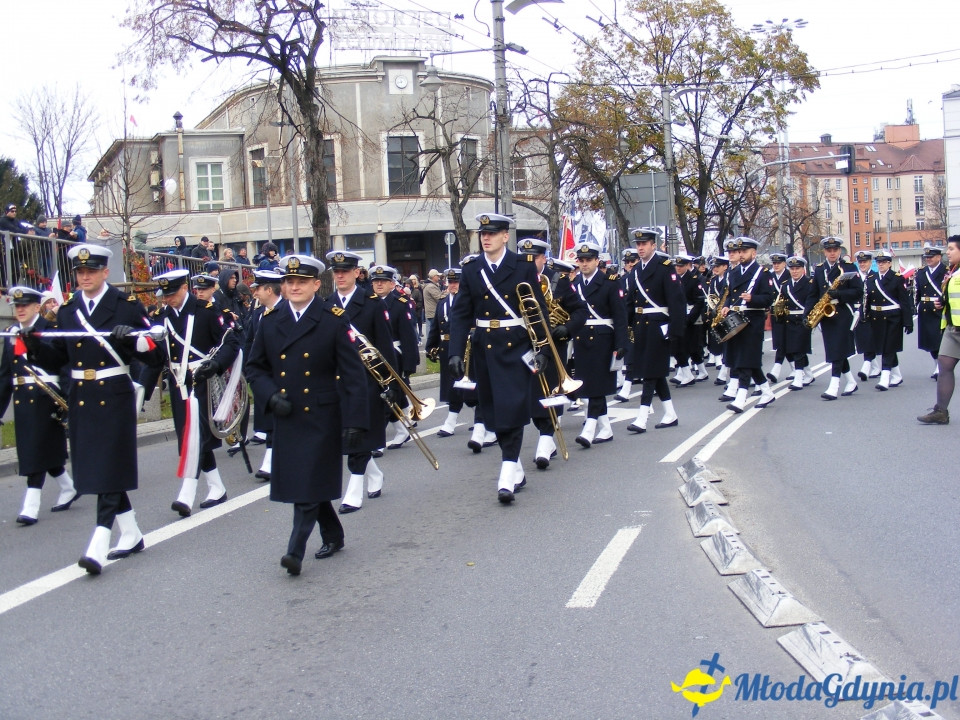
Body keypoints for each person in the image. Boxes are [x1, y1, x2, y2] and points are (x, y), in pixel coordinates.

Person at [23, 244, 164, 574]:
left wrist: (133, 340)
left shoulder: (125, 306)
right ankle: (130, 532)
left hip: (113, 396)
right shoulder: (69, 311)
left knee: (109, 466)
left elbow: (155, 355)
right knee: (98, 467)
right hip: (82, 397)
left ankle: (99, 542)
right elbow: (56, 358)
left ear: (105, 272)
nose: (85, 277)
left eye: (91, 272)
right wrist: (33, 345)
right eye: (80, 273)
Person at [245, 254, 369, 576]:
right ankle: (333, 533)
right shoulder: (270, 321)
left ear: (316, 284)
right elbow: (255, 368)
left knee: (307, 481)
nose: (294, 287)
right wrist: (270, 397)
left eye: (301, 281)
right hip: (286, 414)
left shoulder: (333, 319)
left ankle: (294, 551)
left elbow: (353, 375)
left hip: (322, 416)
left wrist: (356, 423)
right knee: (307, 481)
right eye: (288, 282)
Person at [448, 213, 548, 504]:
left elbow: (536, 309)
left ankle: (507, 469)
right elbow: (461, 313)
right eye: (482, 234)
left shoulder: (522, 266)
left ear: (506, 236)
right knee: (492, 410)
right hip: (484, 347)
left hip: (516, 346)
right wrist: (455, 351)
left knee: (512, 408)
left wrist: (542, 348)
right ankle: (516, 467)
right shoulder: (471, 269)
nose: (486, 238)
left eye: (493, 233)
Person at [145, 269, 240, 516]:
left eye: (173, 293)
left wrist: (217, 364)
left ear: (185, 289)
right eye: (165, 294)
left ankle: (186, 494)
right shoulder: (161, 316)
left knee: (194, 437)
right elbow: (155, 357)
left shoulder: (205, 312)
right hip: (178, 382)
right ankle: (216, 487)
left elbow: (229, 343)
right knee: (188, 436)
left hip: (203, 380)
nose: (168, 298)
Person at [325, 250, 398, 513]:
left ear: (357, 273)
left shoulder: (372, 303)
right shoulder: (327, 303)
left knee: (360, 436)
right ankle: (374, 474)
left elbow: (385, 347)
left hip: (366, 381)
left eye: (345, 271)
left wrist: (390, 384)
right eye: (336, 272)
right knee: (345, 437)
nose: (340, 276)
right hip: (336, 382)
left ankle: (354, 490)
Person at [0, 286, 77, 525]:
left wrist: (68, 400)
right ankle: (69, 487)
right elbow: (4, 375)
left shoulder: (50, 330)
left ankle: (31, 504)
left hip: (47, 397)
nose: (20, 310)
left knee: (36, 448)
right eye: (17, 306)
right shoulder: (11, 333)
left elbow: (63, 366)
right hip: (23, 398)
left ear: (37, 307)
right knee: (40, 449)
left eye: (25, 305)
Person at [516, 239, 586, 469]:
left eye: (534, 258)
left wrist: (567, 328)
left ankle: (546, 440)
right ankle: (545, 436)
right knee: (532, 395)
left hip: (554, 344)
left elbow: (580, 310)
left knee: (551, 392)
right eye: (525, 257)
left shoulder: (559, 281)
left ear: (543, 258)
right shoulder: (516, 279)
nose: (529, 262)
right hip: (525, 345)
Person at [625, 227, 686, 433]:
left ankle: (642, 417)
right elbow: (630, 302)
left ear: (653, 245)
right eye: (638, 244)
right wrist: (624, 326)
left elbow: (676, 301)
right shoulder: (635, 271)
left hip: (660, 326)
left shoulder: (665, 267)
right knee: (655, 371)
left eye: (644, 244)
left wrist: (676, 331)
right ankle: (670, 413)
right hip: (642, 325)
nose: (640, 248)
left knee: (650, 373)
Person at [570, 241, 627, 448]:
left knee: (597, 385)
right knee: (589, 385)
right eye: (581, 260)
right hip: (582, 339)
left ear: (596, 261)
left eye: (588, 260)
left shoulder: (610, 282)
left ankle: (589, 427)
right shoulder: (575, 284)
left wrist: (621, 344)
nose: (584, 264)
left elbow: (620, 316)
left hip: (603, 339)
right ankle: (605, 428)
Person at [720, 237, 776, 413]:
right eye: (740, 252)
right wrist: (726, 306)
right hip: (736, 320)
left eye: (745, 251)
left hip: (753, 321)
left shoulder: (762, 273)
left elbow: (769, 298)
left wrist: (753, 299)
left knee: (745, 359)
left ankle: (741, 398)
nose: (741, 255)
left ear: (754, 253)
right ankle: (766, 392)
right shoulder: (734, 272)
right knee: (745, 359)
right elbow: (730, 294)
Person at [804, 237, 863, 400]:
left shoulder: (849, 268)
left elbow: (859, 291)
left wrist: (840, 294)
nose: (832, 253)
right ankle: (851, 381)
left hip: (843, 311)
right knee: (835, 349)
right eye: (829, 250)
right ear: (824, 252)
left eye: (835, 250)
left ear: (839, 251)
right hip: (826, 313)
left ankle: (834, 385)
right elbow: (813, 294)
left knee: (837, 348)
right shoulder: (819, 269)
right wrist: (807, 314)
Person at [370, 265, 420, 450]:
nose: (379, 284)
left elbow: (408, 336)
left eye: (383, 281)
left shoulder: (399, 303)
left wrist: (410, 363)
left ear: (392, 284)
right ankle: (401, 429)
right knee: (382, 397)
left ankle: (377, 440)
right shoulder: (369, 302)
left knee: (388, 396)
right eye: (375, 281)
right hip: (373, 356)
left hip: (395, 355)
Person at [243, 270, 285, 478]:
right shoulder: (259, 314)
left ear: (270, 289)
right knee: (268, 418)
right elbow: (251, 342)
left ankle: (273, 458)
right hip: (264, 376)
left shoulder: (286, 311)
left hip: (283, 374)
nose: (255, 293)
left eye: (258, 289)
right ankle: (272, 455)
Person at [918, 235, 960, 424]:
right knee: (944, 364)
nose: (947, 252)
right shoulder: (952, 272)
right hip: (953, 328)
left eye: (951, 249)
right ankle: (941, 411)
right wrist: (942, 303)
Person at [866, 249, 914, 390]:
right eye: (878, 262)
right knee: (886, 347)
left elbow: (904, 302)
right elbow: (868, 300)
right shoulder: (871, 278)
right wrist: (865, 316)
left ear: (889, 263)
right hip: (877, 318)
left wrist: (908, 322)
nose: (880, 265)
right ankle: (897, 375)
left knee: (888, 347)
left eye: (884, 262)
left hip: (893, 317)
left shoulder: (897, 278)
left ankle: (885, 378)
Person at [426, 268, 465, 437]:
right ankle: (452, 419)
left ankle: (482, 420)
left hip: (465, 347)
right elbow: (435, 326)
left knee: (471, 386)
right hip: (446, 346)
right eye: (450, 282)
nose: (453, 286)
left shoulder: (466, 300)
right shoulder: (442, 302)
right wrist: (430, 346)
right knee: (451, 386)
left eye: (456, 282)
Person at [671, 254, 707, 386]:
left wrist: (690, 318)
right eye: (677, 265)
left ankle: (689, 373)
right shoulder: (674, 279)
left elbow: (699, 302)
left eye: (681, 266)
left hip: (690, 316)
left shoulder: (693, 279)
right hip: (679, 315)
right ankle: (685, 372)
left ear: (687, 266)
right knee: (679, 346)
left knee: (689, 346)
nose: (678, 268)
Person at [778, 257, 814, 390]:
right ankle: (808, 374)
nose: (794, 271)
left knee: (799, 349)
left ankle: (798, 378)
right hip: (789, 320)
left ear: (803, 269)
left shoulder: (810, 283)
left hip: (803, 319)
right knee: (794, 349)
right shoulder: (785, 285)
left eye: (797, 268)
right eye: (792, 269)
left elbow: (812, 301)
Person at [915, 245, 946, 379]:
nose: (928, 259)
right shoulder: (922, 272)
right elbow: (918, 292)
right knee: (930, 342)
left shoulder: (946, 271)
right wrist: (916, 306)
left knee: (939, 340)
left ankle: (940, 367)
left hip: (940, 309)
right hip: (926, 309)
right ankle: (936, 365)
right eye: (926, 257)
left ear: (939, 257)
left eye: (931, 257)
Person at [854, 250, 879, 381]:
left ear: (870, 262)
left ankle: (866, 366)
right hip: (858, 314)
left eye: (865, 262)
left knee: (870, 340)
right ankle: (875, 367)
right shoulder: (855, 277)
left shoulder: (876, 276)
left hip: (872, 314)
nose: (862, 264)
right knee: (863, 342)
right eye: (860, 262)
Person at [766, 252, 791, 383]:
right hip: (775, 313)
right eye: (774, 263)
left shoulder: (789, 274)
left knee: (785, 342)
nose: (776, 265)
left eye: (778, 263)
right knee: (782, 343)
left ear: (784, 264)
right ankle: (804, 370)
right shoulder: (770, 276)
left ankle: (776, 369)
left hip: (787, 314)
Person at [423, 269, 444, 340]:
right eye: (437, 276)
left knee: (431, 330)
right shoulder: (431, 286)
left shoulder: (430, 285)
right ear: (434, 276)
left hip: (430, 312)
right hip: (433, 312)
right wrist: (447, 292)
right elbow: (439, 298)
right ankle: (431, 347)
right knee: (434, 332)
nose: (439, 277)